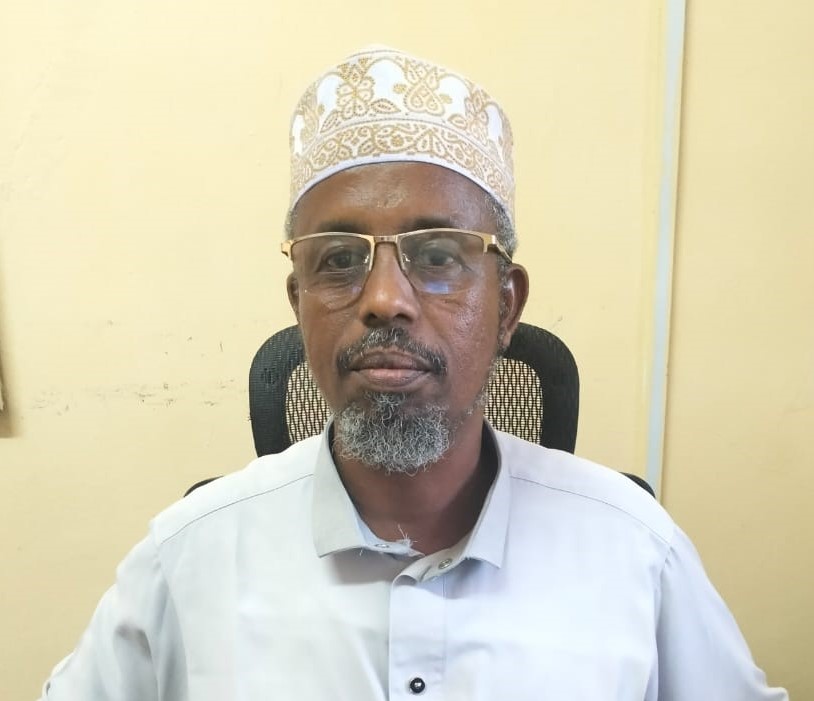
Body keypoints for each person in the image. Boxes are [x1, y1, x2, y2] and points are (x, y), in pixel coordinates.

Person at [40, 46, 787, 700]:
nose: (384, 300)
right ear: (300, 305)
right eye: (339, 259)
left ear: (505, 306)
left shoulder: (634, 550)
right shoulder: (188, 560)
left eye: (436, 256)